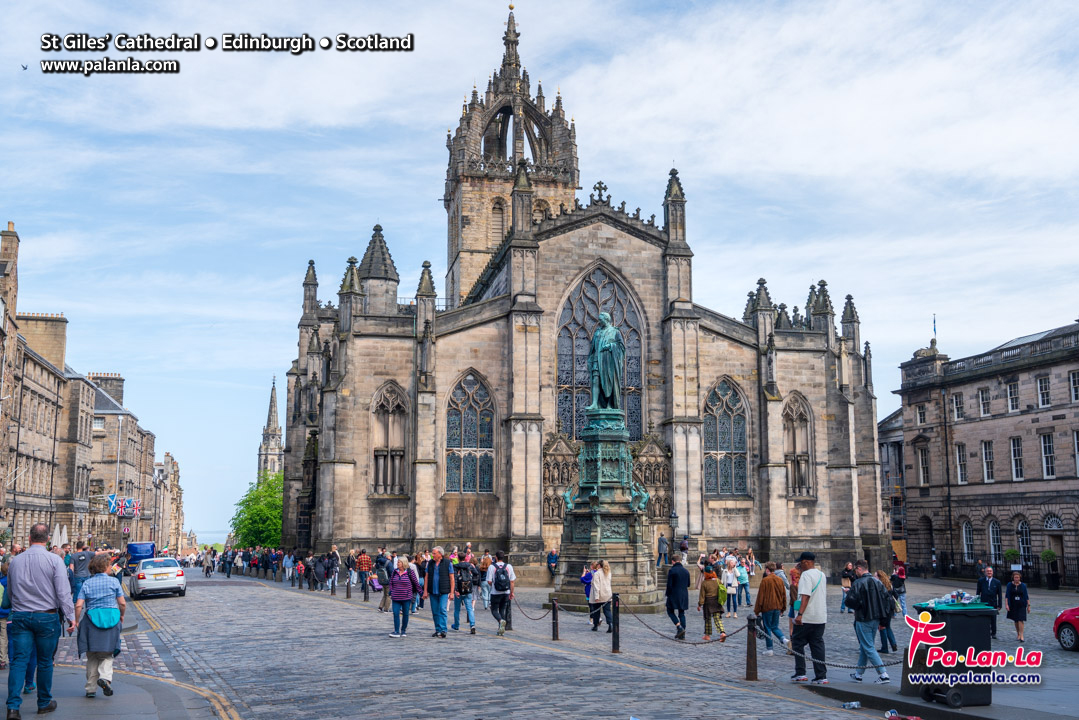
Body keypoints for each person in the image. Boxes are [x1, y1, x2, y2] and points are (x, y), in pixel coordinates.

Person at [4, 523, 77, 716]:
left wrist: (19, 606)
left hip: (20, 615)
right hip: (46, 615)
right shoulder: (54, 560)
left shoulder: (16, 562)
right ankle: (43, 702)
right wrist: (71, 617)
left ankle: (13, 707)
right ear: (47, 540)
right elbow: (63, 592)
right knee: (45, 661)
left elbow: (10, 592)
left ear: (29, 538)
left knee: (19, 661)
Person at [75, 553, 126, 699]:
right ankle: (104, 677)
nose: (111, 567)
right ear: (105, 567)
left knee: (92, 655)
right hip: (111, 619)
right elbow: (122, 603)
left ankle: (90, 689)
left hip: (91, 621)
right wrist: (121, 615)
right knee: (107, 654)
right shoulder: (114, 582)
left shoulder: (87, 583)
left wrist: (77, 620)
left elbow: (79, 605)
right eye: (110, 565)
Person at [844, 559, 893, 684]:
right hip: (875, 618)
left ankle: (883, 674)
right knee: (865, 646)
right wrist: (884, 620)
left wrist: (850, 595)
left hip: (863, 618)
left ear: (859, 568)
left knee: (868, 647)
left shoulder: (858, 583)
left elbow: (849, 601)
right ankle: (858, 674)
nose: (855, 572)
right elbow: (887, 600)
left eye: (855, 569)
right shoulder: (878, 582)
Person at [790, 551, 827, 684]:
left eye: (801, 562)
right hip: (820, 616)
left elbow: (805, 596)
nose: (799, 565)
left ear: (806, 562)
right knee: (817, 645)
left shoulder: (806, 575)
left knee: (797, 643)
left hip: (807, 617)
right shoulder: (821, 574)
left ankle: (801, 673)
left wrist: (799, 614)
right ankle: (821, 675)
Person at [753, 562, 787, 655]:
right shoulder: (780, 580)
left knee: (767, 627)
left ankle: (770, 649)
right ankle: (784, 639)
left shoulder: (765, 580)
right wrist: (783, 608)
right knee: (775, 626)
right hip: (777, 607)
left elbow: (760, 596)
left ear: (767, 569)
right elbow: (784, 595)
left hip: (767, 607)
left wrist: (756, 611)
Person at [423, 546, 455, 638]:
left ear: (440, 554)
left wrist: (452, 592)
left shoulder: (448, 563)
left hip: (443, 591)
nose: (432, 555)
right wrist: (425, 591)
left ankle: (443, 630)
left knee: (442, 610)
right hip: (433, 591)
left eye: (434, 553)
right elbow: (426, 577)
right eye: (432, 553)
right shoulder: (430, 563)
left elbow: (452, 578)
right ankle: (438, 630)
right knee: (435, 612)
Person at [388, 557, 420, 638]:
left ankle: (403, 630)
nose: (397, 563)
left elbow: (416, 583)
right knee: (396, 613)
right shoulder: (394, 572)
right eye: (397, 562)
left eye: (399, 562)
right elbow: (391, 582)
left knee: (405, 614)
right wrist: (391, 590)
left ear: (403, 563)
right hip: (396, 597)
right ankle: (396, 631)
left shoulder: (410, 572)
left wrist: (422, 593)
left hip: (406, 597)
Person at [486, 550, 516, 636]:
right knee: (502, 609)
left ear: (496, 557)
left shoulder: (492, 567)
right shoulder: (509, 566)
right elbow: (512, 581)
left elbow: (489, 581)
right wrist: (512, 592)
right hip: (506, 592)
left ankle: (500, 621)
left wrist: (494, 585)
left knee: (494, 610)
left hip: (495, 592)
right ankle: (501, 629)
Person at [697, 563, 726, 642]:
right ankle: (722, 632)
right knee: (717, 618)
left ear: (705, 574)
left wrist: (699, 604)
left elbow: (702, 596)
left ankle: (707, 635)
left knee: (707, 619)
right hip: (717, 601)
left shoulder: (705, 583)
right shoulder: (718, 581)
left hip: (708, 602)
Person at [665, 552, 691, 640]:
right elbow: (688, 584)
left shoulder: (672, 571)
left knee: (670, 611)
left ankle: (679, 627)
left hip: (674, 594)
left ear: (673, 561)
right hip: (684, 594)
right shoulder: (686, 571)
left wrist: (667, 594)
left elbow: (669, 585)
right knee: (681, 613)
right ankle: (682, 634)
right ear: (679, 561)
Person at [451, 553, 477, 634]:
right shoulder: (469, 565)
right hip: (468, 589)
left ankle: (456, 625)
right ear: (465, 558)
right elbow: (476, 572)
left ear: (458, 558)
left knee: (457, 609)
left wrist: (455, 590)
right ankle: (472, 625)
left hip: (459, 590)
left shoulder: (455, 566)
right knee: (469, 608)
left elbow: (454, 578)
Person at [875, 570, 899, 653]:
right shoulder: (889, 584)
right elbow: (896, 595)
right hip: (890, 609)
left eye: (875, 576)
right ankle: (893, 643)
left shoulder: (879, 586)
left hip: (883, 609)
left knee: (882, 627)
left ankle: (885, 648)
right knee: (888, 626)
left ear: (879, 577)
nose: (874, 577)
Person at [976, 566, 1003, 639]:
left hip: (993, 602)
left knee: (993, 618)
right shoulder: (981, 581)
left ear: (992, 572)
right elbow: (978, 592)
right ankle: (985, 632)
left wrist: (1000, 605)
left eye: (990, 571)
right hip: (984, 602)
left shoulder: (997, 582)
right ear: (985, 572)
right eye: (987, 571)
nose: (989, 572)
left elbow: (999, 594)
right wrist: (977, 602)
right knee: (984, 618)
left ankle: (993, 633)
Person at [588, 560, 613, 633]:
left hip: (599, 595)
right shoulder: (608, 573)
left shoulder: (597, 574)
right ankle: (610, 624)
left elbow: (596, 586)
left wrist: (596, 597)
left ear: (599, 565)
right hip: (607, 595)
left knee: (596, 611)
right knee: (607, 611)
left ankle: (595, 625)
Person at [1005, 571, 1029, 642]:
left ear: (1020, 578)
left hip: (1021, 604)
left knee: (1020, 619)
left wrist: (1029, 605)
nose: (1016, 579)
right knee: (1016, 620)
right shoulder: (1009, 585)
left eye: (1018, 577)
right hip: (1013, 604)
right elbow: (1007, 595)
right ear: (1013, 578)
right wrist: (1007, 604)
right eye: (1015, 577)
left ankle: (1021, 635)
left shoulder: (1023, 585)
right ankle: (1018, 633)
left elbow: (1026, 596)